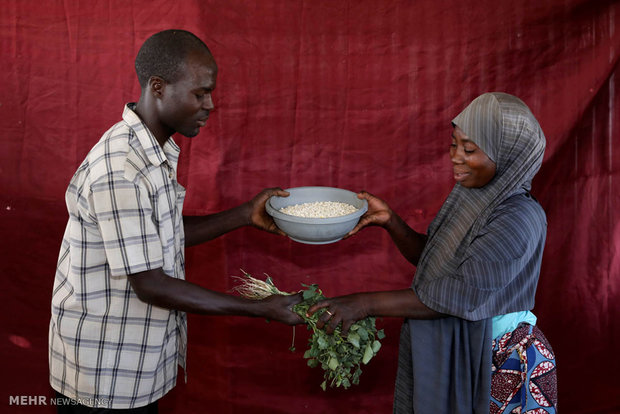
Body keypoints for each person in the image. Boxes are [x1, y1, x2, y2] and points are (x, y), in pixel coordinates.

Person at [48, 29, 302, 412]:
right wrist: (262, 308)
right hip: (103, 375)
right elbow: (151, 285)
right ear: (158, 87)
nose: (210, 105)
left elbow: (159, 235)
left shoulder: (153, 150)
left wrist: (244, 215)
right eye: (200, 93)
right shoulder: (122, 169)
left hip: (135, 364)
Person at [308, 92, 558, 413]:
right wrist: (391, 221)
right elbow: (438, 265)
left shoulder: (516, 216)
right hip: (466, 346)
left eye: (469, 149)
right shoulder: (473, 198)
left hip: (499, 361)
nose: (455, 157)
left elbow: (461, 293)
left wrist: (364, 303)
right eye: (454, 144)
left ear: (508, 155)